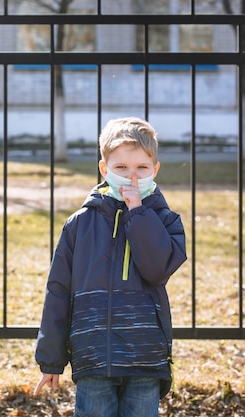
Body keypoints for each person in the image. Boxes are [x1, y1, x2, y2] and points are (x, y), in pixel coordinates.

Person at [33, 117, 187, 417]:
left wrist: (138, 213)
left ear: (155, 170)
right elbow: (58, 290)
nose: (132, 177)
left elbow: (157, 269)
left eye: (141, 168)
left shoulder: (166, 221)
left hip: (144, 355)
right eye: (121, 168)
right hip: (94, 354)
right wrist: (51, 360)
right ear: (104, 169)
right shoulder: (80, 224)